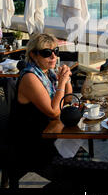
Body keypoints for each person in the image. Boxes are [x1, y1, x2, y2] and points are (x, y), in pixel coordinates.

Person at [12, 33, 72, 177]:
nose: (53, 57)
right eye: (46, 53)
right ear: (33, 55)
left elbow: (68, 99)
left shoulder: (47, 73)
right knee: (75, 171)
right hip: (33, 143)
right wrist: (61, 83)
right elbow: (54, 112)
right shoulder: (30, 77)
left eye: (55, 51)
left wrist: (67, 79)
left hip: (49, 131)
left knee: (78, 154)